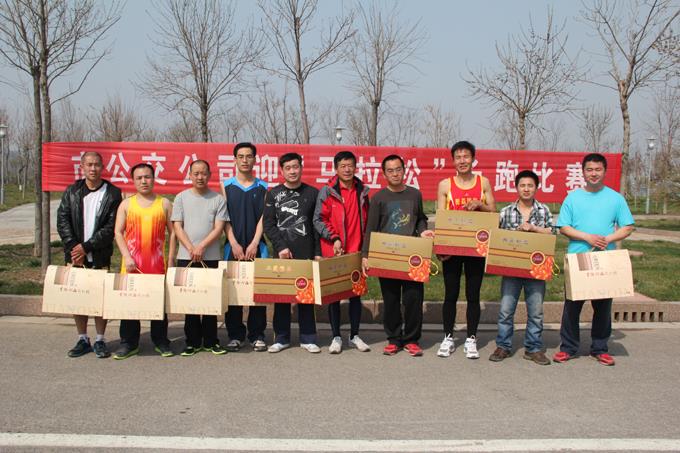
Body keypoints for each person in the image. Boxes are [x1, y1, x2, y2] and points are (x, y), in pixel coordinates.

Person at [553, 153, 634, 366]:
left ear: (605, 171)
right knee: (572, 307)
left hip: (604, 260)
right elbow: (563, 227)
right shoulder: (573, 198)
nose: (593, 173)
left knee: (603, 308)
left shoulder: (615, 198)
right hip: (578, 259)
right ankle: (568, 347)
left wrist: (608, 239)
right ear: (583, 172)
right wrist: (587, 237)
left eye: (598, 169)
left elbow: (627, 227)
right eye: (589, 169)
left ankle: (600, 348)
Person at [361, 154, 434, 357]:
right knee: (391, 299)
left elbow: (420, 219)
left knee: (413, 299)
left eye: (398, 169)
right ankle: (394, 339)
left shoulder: (414, 194)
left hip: (412, 256)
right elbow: (371, 228)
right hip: (387, 256)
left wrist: (423, 231)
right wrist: (366, 255)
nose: (395, 173)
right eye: (390, 170)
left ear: (404, 170)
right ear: (384, 174)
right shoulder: (379, 198)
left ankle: (411, 339)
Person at [57, 151, 122, 359]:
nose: (93, 168)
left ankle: (100, 339)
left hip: (99, 254)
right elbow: (62, 219)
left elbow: (111, 227)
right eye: (89, 164)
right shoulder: (72, 191)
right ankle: (82, 338)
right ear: (82, 167)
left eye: (97, 165)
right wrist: (73, 247)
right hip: (75, 255)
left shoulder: (112, 193)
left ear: (103, 167)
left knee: (100, 299)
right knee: (78, 298)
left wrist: (87, 246)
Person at [436, 140, 496, 359]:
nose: (462, 161)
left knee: (473, 294)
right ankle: (448, 337)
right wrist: (440, 246)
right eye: (458, 157)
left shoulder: (483, 182)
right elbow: (441, 217)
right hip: (453, 247)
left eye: (466, 157)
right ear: (453, 161)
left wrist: (480, 205)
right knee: (450, 293)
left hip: (475, 247)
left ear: (473, 159)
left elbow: (493, 211)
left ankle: (471, 338)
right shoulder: (445, 185)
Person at [488, 170, 554, 366]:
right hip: (512, 269)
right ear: (516, 187)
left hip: (536, 268)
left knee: (536, 311)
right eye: (522, 185)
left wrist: (534, 229)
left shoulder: (543, 210)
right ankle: (503, 345)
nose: (526, 189)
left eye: (530, 185)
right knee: (506, 309)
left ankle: (533, 348)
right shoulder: (506, 211)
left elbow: (552, 233)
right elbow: (497, 237)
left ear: (536, 188)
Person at [112, 163, 176, 360]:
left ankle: (161, 341)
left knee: (159, 305)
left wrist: (171, 259)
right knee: (130, 305)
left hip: (157, 265)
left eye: (147, 177)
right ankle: (128, 343)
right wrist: (127, 256)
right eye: (139, 178)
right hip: (132, 265)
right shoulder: (126, 204)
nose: (144, 181)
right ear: (133, 181)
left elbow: (174, 233)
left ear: (154, 179)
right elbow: (118, 232)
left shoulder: (164, 204)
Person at [263, 152, 322, 353]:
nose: (292, 171)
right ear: (282, 171)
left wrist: (317, 252)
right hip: (282, 254)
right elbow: (269, 224)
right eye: (288, 168)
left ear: (301, 168)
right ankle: (281, 338)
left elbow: (316, 226)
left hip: (306, 253)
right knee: (281, 298)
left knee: (306, 296)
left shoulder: (312, 193)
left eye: (295, 167)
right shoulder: (273, 194)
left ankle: (308, 338)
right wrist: (280, 247)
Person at [314, 151, 371, 354]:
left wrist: (366, 249)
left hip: (356, 251)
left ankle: (354, 335)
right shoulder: (327, 191)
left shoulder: (362, 191)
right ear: (336, 169)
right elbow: (318, 219)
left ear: (355, 167)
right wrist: (334, 237)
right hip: (335, 251)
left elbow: (368, 220)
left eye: (350, 165)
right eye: (343, 166)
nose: (347, 169)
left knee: (356, 295)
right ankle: (336, 336)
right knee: (334, 296)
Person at [172, 159, 229, 356]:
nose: (200, 177)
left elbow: (219, 227)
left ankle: (211, 340)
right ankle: (192, 341)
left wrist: (202, 246)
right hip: (186, 256)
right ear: (189, 175)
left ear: (210, 175)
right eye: (196, 173)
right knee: (190, 301)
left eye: (204, 173)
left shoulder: (218, 199)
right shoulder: (181, 197)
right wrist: (191, 248)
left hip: (210, 256)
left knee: (210, 299)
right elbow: (177, 226)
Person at [221, 142, 269, 352]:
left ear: (255, 160)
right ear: (235, 160)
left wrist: (255, 242)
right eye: (240, 156)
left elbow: (264, 218)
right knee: (233, 292)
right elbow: (224, 218)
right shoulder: (226, 186)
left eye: (249, 156)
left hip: (257, 246)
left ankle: (257, 335)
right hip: (232, 247)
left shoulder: (263, 186)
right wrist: (233, 242)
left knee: (258, 292)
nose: (245, 160)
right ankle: (235, 335)